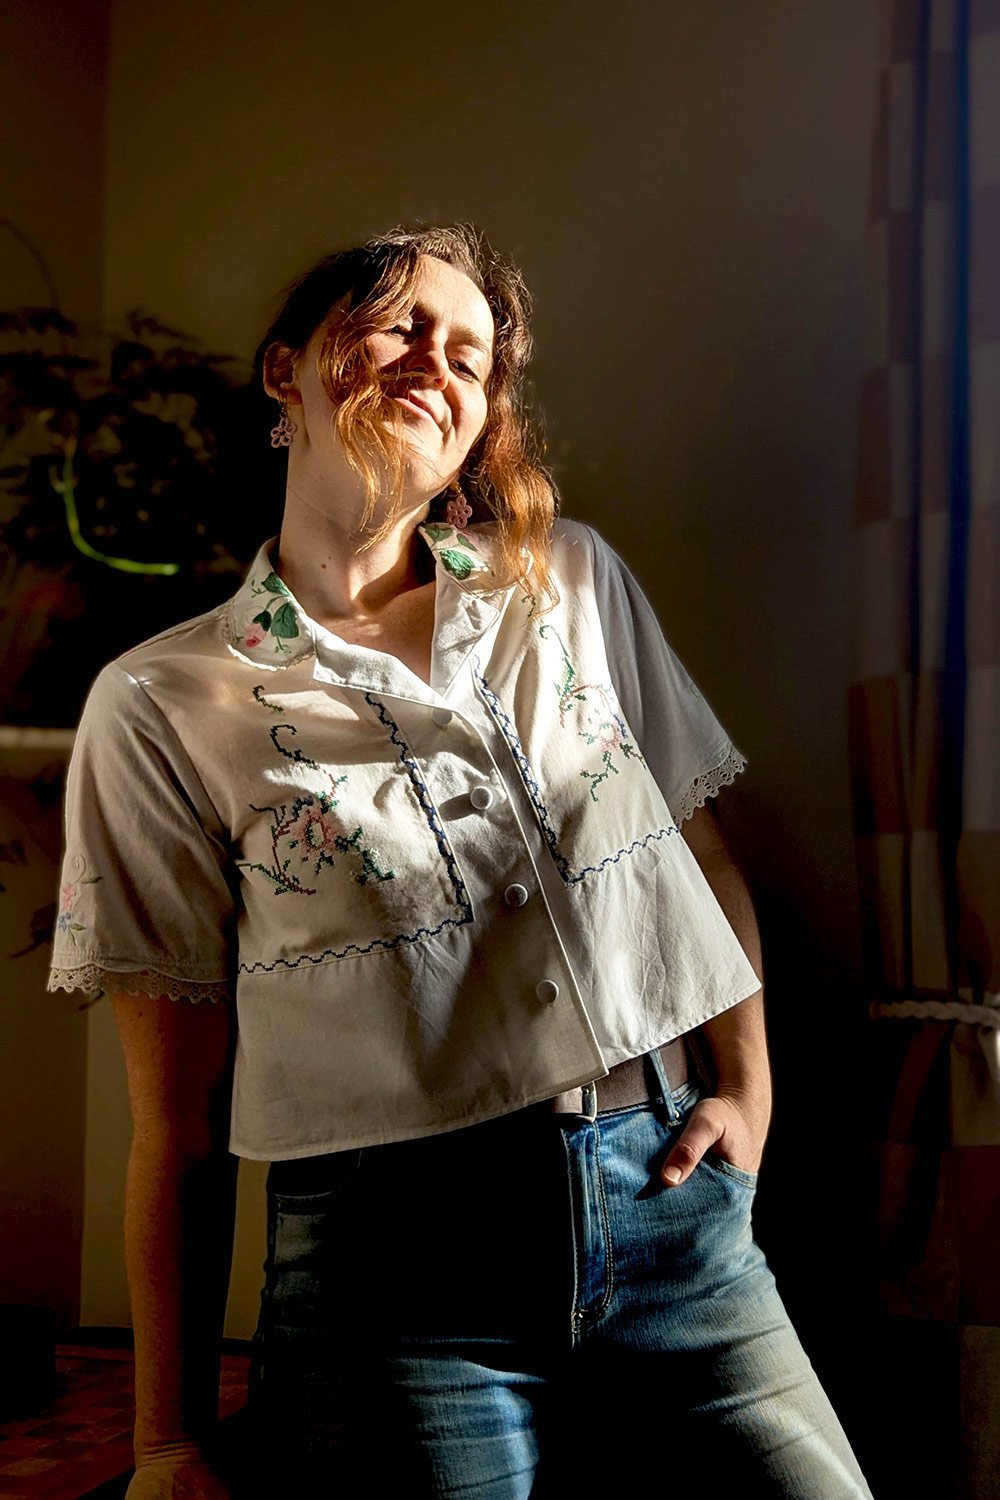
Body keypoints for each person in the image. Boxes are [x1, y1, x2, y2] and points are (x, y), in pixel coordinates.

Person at [48, 223, 872, 1498]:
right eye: (400, 323)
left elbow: (695, 850)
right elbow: (176, 1123)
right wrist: (166, 1440)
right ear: (284, 371)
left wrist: (749, 1090)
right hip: (389, 1281)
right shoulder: (160, 702)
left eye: (473, 355)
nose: (438, 359)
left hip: (673, 1212)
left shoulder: (571, 581)